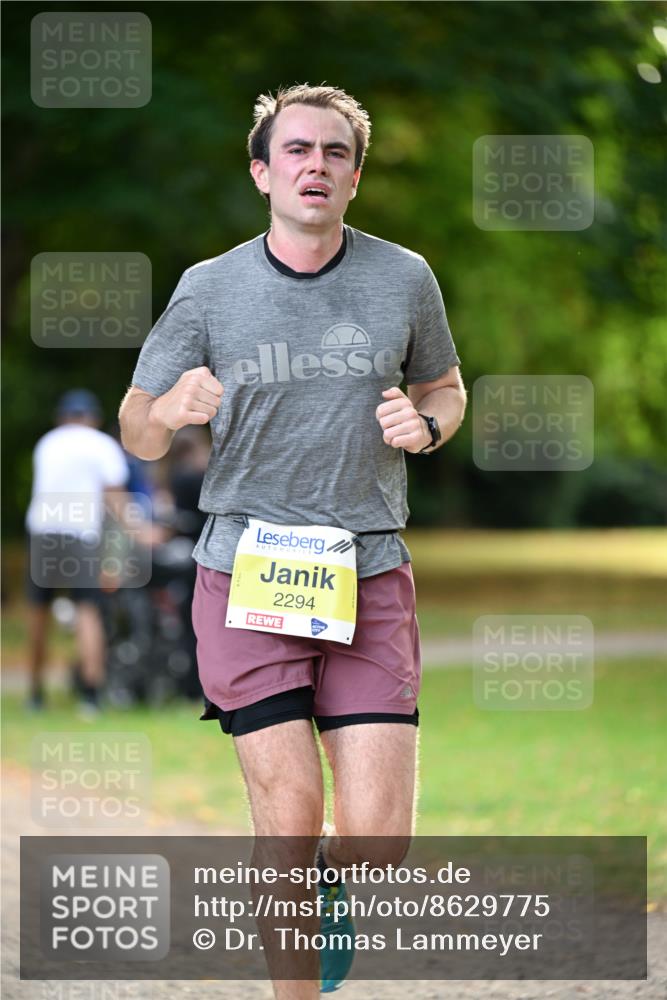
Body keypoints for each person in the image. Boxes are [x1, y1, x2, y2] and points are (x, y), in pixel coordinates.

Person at [119, 83, 466, 996]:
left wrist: (425, 426)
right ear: (262, 170)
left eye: (335, 153)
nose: (316, 165)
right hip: (246, 571)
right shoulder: (210, 287)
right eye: (298, 150)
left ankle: (326, 888)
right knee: (288, 811)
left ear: (354, 177)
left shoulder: (404, 277)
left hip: (370, 567)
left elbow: (445, 386)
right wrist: (167, 409)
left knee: (380, 842)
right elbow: (137, 427)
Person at [25, 389, 130, 716]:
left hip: (42, 533)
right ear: (94, 418)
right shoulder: (102, 445)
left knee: (39, 614)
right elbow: (115, 497)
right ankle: (91, 695)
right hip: (79, 536)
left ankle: (35, 694)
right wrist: (138, 532)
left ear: (62, 417)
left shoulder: (47, 443)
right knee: (87, 611)